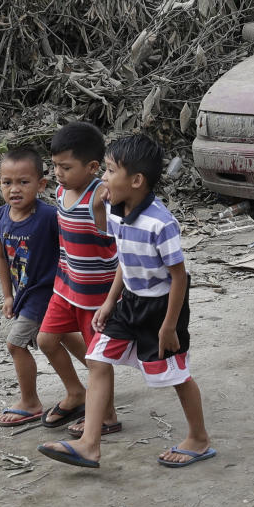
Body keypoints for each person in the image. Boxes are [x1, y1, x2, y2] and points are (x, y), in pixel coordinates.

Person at [38, 134, 212, 468]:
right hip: (129, 301)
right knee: (98, 359)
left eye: (110, 170)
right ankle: (90, 443)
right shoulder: (118, 211)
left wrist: (169, 326)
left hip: (160, 310)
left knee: (176, 375)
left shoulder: (161, 224)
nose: (103, 178)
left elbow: (179, 277)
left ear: (136, 180)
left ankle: (199, 439)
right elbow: (124, 260)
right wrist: (109, 302)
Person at [37, 122, 120, 435]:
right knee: (46, 339)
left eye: (66, 167)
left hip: (96, 295)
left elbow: (110, 217)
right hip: (67, 285)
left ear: (93, 167)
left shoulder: (98, 197)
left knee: (97, 357)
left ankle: (108, 415)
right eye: (55, 165)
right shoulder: (60, 191)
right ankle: (77, 392)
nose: (58, 173)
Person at [0, 148, 59, 426]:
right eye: (7, 182)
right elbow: (1, 257)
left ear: (41, 185)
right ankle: (99, 375)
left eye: (23, 182)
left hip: (45, 293)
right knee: (60, 338)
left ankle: (30, 402)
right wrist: (8, 295)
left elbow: (70, 249)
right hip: (23, 294)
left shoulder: (48, 217)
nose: (14, 189)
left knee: (15, 344)